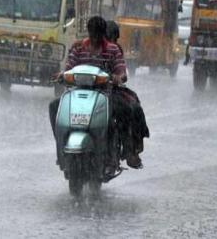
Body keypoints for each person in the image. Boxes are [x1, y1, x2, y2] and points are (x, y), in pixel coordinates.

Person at [49, 16, 142, 172]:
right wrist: (62, 74)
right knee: (54, 107)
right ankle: (61, 147)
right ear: (89, 32)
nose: (95, 39)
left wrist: (118, 77)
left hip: (104, 94)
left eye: (98, 35)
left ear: (102, 34)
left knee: (121, 113)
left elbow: (121, 72)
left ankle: (118, 154)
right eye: (92, 35)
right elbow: (69, 67)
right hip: (77, 93)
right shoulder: (78, 47)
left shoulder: (112, 50)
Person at [105, 20, 149, 163]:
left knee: (132, 107)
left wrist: (118, 78)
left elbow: (121, 72)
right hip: (89, 90)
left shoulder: (116, 49)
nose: (112, 41)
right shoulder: (86, 48)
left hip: (110, 90)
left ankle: (131, 149)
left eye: (113, 38)